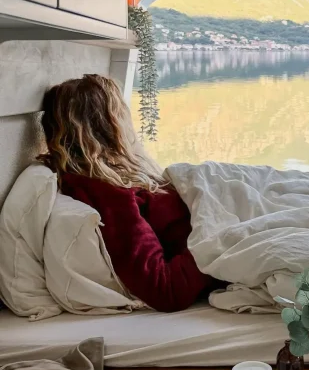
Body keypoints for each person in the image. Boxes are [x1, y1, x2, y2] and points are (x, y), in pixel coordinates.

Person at [40, 74, 216, 312]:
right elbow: (164, 289)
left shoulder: (117, 174)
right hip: (214, 248)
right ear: (110, 123)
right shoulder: (108, 193)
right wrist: (218, 237)